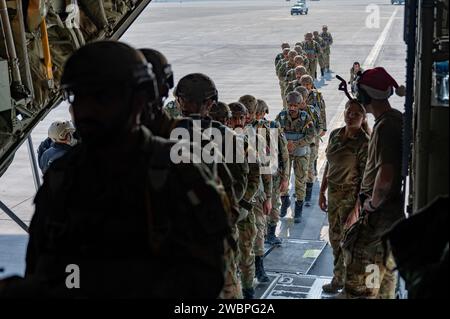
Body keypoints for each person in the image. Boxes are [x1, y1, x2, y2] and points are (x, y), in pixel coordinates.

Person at [0, 41, 231, 298]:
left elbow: (206, 279)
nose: (85, 110)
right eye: (77, 96)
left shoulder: (178, 170)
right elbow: (44, 267)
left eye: (101, 97)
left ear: (139, 100)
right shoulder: (63, 176)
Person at [341, 67, 406, 299]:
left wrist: (371, 204)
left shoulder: (385, 127)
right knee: (383, 273)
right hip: (390, 216)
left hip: (379, 215)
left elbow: (386, 174)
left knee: (362, 279)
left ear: (366, 96)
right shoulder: (395, 118)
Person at [318, 99, 370, 293]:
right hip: (333, 193)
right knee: (334, 238)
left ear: (363, 117)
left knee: (348, 241)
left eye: (356, 113)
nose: (351, 116)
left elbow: (365, 180)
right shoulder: (335, 135)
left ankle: (343, 280)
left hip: (350, 195)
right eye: (349, 111)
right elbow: (329, 166)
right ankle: (340, 277)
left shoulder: (364, 142)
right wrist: (322, 191)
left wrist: (356, 209)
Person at [239, 95, 273, 287]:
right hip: (237, 192)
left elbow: (266, 169)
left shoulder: (258, 136)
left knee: (258, 230)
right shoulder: (227, 133)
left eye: (249, 113)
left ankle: (259, 266)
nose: (247, 117)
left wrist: (268, 196)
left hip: (256, 191)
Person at [275, 91, 315, 223]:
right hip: (285, 153)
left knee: (300, 180)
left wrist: (296, 144)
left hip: (301, 153)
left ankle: (298, 209)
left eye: (294, 105)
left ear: (299, 105)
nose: (292, 108)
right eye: (289, 105)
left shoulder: (305, 118)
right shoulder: (281, 117)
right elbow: (274, 133)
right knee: (282, 179)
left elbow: (311, 136)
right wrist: (285, 144)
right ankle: (285, 201)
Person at [256, 99, 289, 246]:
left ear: (264, 113)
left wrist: (285, 178)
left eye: (258, 113)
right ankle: (260, 235)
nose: (255, 116)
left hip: (273, 173)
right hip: (255, 175)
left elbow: (284, 153)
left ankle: (271, 233)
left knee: (274, 205)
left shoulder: (272, 127)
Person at [300, 75, 327, 207]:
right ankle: (301, 191)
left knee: (311, 159)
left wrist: (323, 128)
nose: (305, 87)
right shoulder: (296, 95)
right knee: (301, 168)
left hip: (312, 135)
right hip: (300, 139)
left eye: (307, 85)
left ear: (311, 85)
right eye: (303, 85)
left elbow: (321, 112)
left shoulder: (317, 97)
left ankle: (307, 194)